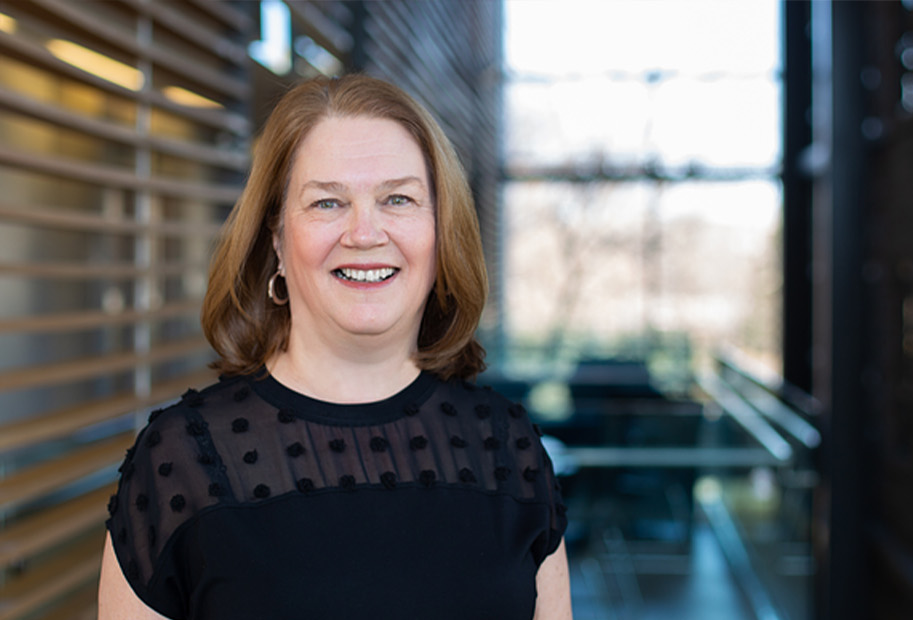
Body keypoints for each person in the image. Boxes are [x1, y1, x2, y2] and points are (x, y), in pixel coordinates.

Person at [98, 74, 571, 619]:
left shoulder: (508, 451)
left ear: (441, 234)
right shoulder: (180, 464)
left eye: (398, 199)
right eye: (327, 203)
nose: (364, 233)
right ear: (276, 239)